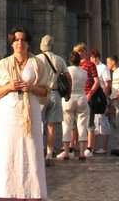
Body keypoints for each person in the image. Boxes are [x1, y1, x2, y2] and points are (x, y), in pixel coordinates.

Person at [0, 26, 49, 200]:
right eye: (16, 40)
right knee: (9, 151)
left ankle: (33, 191)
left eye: (23, 40)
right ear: (11, 43)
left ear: (28, 42)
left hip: (31, 111)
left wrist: (31, 88)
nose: (19, 43)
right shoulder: (3, 64)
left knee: (32, 150)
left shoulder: (37, 63)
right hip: (9, 113)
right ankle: (7, 190)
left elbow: (46, 90)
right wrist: (9, 86)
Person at [38, 34, 69, 166]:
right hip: (55, 94)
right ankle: (49, 154)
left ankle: (38, 152)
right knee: (51, 126)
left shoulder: (36, 59)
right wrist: (68, 92)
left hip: (40, 94)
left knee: (38, 125)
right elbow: (68, 77)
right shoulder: (59, 60)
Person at [57, 50, 90, 161]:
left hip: (69, 98)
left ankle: (66, 152)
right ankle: (81, 153)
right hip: (81, 97)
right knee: (82, 125)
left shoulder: (67, 71)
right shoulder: (84, 72)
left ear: (70, 60)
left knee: (66, 125)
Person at [70, 42, 98, 158]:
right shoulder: (75, 66)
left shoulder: (90, 65)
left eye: (77, 52)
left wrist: (90, 93)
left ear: (83, 52)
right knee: (73, 124)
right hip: (75, 96)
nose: (75, 54)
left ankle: (89, 147)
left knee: (89, 123)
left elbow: (96, 81)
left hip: (86, 96)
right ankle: (72, 146)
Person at [89, 48, 111, 155]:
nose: (92, 59)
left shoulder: (103, 68)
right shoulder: (91, 67)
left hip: (101, 97)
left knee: (103, 122)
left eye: (94, 57)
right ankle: (92, 146)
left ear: (97, 58)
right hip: (93, 98)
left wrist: (105, 98)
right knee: (94, 123)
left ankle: (104, 147)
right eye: (91, 57)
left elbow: (107, 84)